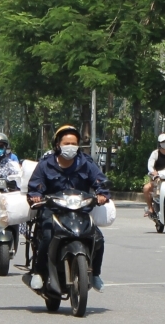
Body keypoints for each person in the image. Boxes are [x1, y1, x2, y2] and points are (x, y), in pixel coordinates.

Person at [26, 125, 110, 293]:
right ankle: (39, 272)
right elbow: (35, 187)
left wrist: (102, 194)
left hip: (80, 211)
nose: (70, 146)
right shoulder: (45, 165)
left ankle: (95, 275)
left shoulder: (86, 163)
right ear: (58, 144)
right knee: (47, 236)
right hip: (52, 211)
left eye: (74, 143)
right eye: (66, 143)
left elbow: (100, 182)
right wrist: (36, 196)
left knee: (98, 239)